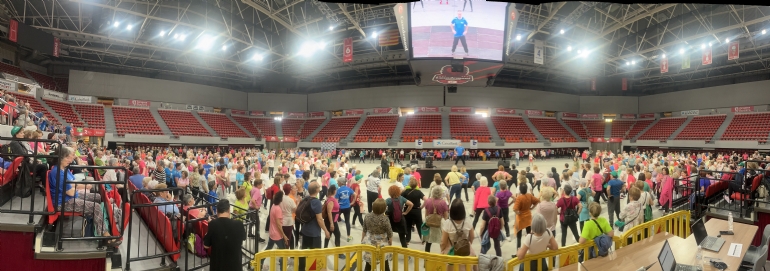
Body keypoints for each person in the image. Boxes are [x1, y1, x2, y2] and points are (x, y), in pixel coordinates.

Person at [49, 146, 119, 246]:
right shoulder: (57, 173)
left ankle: (96, 225)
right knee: (96, 207)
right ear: (60, 157)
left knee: (97, 197)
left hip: (70, 197)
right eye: (68, 157)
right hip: (63, 202)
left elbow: (72, 183)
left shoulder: (64, 169)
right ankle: (105, 236)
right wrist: (79, 186)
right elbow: (71, 192)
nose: (71, 159)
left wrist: (79, 185)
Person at [204, 199, 247, 271]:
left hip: (218, 266)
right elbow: (243, 237)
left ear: (217, 211)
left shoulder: (213, 224)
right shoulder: (239, 224)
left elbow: (206, 245)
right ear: (229, 210)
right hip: (235, 266)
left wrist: (209, 227)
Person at [297, 182, 331, 271]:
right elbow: (319, 219)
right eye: (319, 186)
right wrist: (326, 231)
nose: (320, 187)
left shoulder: (306, 199)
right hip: (314, 233)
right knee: (316, 254)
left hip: (305, 230)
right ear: (316, 190)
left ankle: (301, 269)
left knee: (304, 252)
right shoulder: (316, 202)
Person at [440, 199, 477, 271]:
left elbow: (443, 242)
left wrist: (442, 250)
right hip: (466, 251)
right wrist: (465, 245)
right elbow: (472, 237)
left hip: (452, 251)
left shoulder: (448, 223)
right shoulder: (468, 221)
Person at [261, 191, 290, 270]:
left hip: (272, 233)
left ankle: (261, 261)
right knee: (283, 252)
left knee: (268, 248)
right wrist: (284, 236)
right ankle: (282, 268)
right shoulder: (278, 209)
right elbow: (278, 224)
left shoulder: (273, 206)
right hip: (277, 235)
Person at [361, 199, 393, 271]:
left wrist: (362, 240)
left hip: (370, 243)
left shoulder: (367, 216)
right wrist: (390, 242)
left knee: (368, 264)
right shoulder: (385, 219)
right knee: (385, 263)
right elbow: (389, 233)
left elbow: (364, 230)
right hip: (382, 244)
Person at [513, 182, 540, 248]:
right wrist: (532, 208)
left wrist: (517, 212)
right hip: (528, 216)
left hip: (520, 218)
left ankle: (518, 249)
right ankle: (530, 247)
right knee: (529, 233)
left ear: (520, 190)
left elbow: (514, 208)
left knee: (519, 235)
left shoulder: (519, 198)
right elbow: (537, 201)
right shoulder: (529, 195)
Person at [423, 186, 449, 253]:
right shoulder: (443, 202)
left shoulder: (428, 201)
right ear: (440, 193)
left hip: (430, 224)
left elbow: (426, 215)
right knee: (442, 242)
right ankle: (442, 256)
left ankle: (426, 259)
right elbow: (446, 217)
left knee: (428, 242)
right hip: (439, 224)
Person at [401, 177, 425, 243]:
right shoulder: (419, 192)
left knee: (408, 225)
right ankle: (422, 239)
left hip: (407, 210)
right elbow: (426, 199)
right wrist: (422, 207)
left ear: (409, 184)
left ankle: (407, 239)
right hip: (417, 210)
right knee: (419, 225)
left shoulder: (405, 192)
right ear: (416, 184)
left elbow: (400, 198)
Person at [335, 178, 354, 243]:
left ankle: (333, 233)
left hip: (340, 208)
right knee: (347, 222)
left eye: (338, 182)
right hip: (347, 207)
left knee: (335, 220)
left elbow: (336, 201)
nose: (337, 183)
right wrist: (352, 202)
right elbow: (355, 194)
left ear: (340, 183)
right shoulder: (348, 189)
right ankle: (348, 236)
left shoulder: (338, 190)